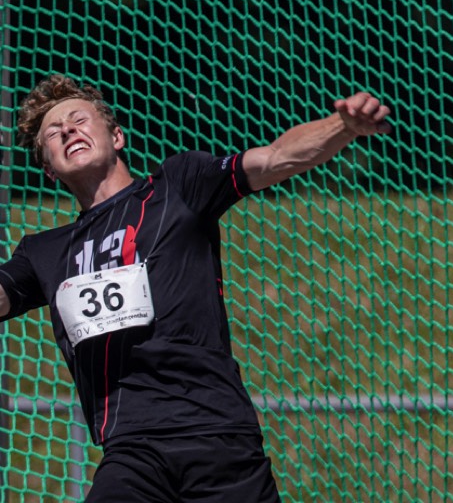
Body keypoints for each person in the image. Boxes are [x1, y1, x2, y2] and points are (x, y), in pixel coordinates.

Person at [1, 74, 391, 502]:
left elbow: (276, 157)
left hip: (219, 436)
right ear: (48, 169)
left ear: (117, 136)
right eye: (53, 134)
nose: (67, 131)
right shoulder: (43, 253)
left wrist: (345, 127)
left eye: (77, 119)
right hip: (132, 451)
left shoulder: (178, 186)